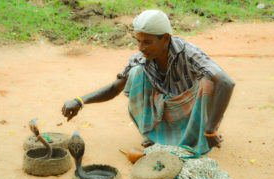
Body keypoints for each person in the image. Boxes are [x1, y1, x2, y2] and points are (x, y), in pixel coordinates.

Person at [61, 10, 235, 154]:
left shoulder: (188, 53)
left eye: (147, 42)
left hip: (191, 112)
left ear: (165, 38)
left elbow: (226, 83)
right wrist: (79, 101)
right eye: (138, 41)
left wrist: (211, 128)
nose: (141, 48)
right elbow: (115, 88)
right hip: (165, 111)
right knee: (135, 73)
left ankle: (198, 138)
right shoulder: (142, 58)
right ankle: (158, 138)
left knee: (209, 82)